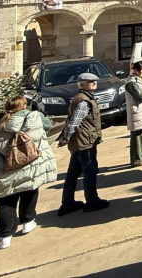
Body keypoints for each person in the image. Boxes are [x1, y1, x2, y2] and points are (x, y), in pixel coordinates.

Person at [0, 96, 56, 250]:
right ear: (24, 106)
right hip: (29, 163)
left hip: (5, 167)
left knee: (5, 200)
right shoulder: (34, 117)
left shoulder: (0, 122)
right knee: (29, 189)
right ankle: (28, 222)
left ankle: (6, 235)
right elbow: (49, 126)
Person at [57, 72, 109, 216]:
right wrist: (65, 138)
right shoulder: (84, 101)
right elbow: (74, 121)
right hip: (85, 142)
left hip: (83, 141)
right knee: (90, 171)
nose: (94, 84)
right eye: (90, 82)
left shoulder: (85, 98)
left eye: (94, 82)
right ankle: (91, 200)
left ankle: (67, 202)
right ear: (81, 85)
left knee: (73, 173)